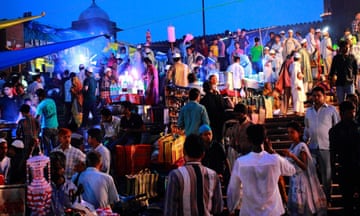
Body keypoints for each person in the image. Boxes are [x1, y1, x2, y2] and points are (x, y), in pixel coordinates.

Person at [227, 124, 296, 216]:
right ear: (265, 139)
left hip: (250, 211)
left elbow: (233, 189)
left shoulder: (240, 162)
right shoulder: (275, 160)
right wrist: (272, 151)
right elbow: (291, 170)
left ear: (248, 139)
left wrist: (232, 207)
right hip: (273, 211)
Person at [164, 134, 223, 216]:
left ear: (184, 152)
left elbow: (170, 211)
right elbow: (218, 209)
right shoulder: (213, 175)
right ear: (203, 154)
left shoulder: (176, 175)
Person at [303, 86, 340, 205]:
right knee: (311, 173)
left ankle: (327, 199)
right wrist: (304, 141)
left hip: (326, 147)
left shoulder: (331, 110)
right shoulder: (308, 112)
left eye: (319, 96)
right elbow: (307, 128)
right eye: (314, 96)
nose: (316, 98)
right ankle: (314, 198)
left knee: (327, 175)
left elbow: (337, 127)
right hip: (312, 146)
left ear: (324, 96)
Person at [282, 122, 327, 215]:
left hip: (301, 180)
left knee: (302, 204)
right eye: (288, 132)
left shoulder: (302, 146)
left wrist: (292, 156)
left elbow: (304, 166)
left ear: (299, 133)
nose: (289, 135)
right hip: (294, 179)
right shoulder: (292, 146)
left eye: (292, 132)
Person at [329, 101, 360, 215]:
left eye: (353, 111)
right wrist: (333, 169)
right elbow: (332, 151)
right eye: (350, 112)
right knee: (347, 200)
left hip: (357, 166)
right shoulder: (335, 131)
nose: (352, 114)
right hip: (345, 168)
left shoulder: (358, 127)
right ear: (342, 113)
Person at [49, 151, 77, 216]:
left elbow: (79, 209)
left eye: (56, 169)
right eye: (50, 168)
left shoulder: (71, 188)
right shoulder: (44, 187)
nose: (52, 171)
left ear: (63, 169)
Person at [35, 88, 59, 156]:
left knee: (47, 147)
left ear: (40, 97)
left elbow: (36, 117)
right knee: (56, 147)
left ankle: (48, 161)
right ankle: (56, 159)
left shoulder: (40, 105)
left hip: (46, 128)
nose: (36, 98)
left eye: (36, 96)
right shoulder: (52, 101)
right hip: (55, 126)